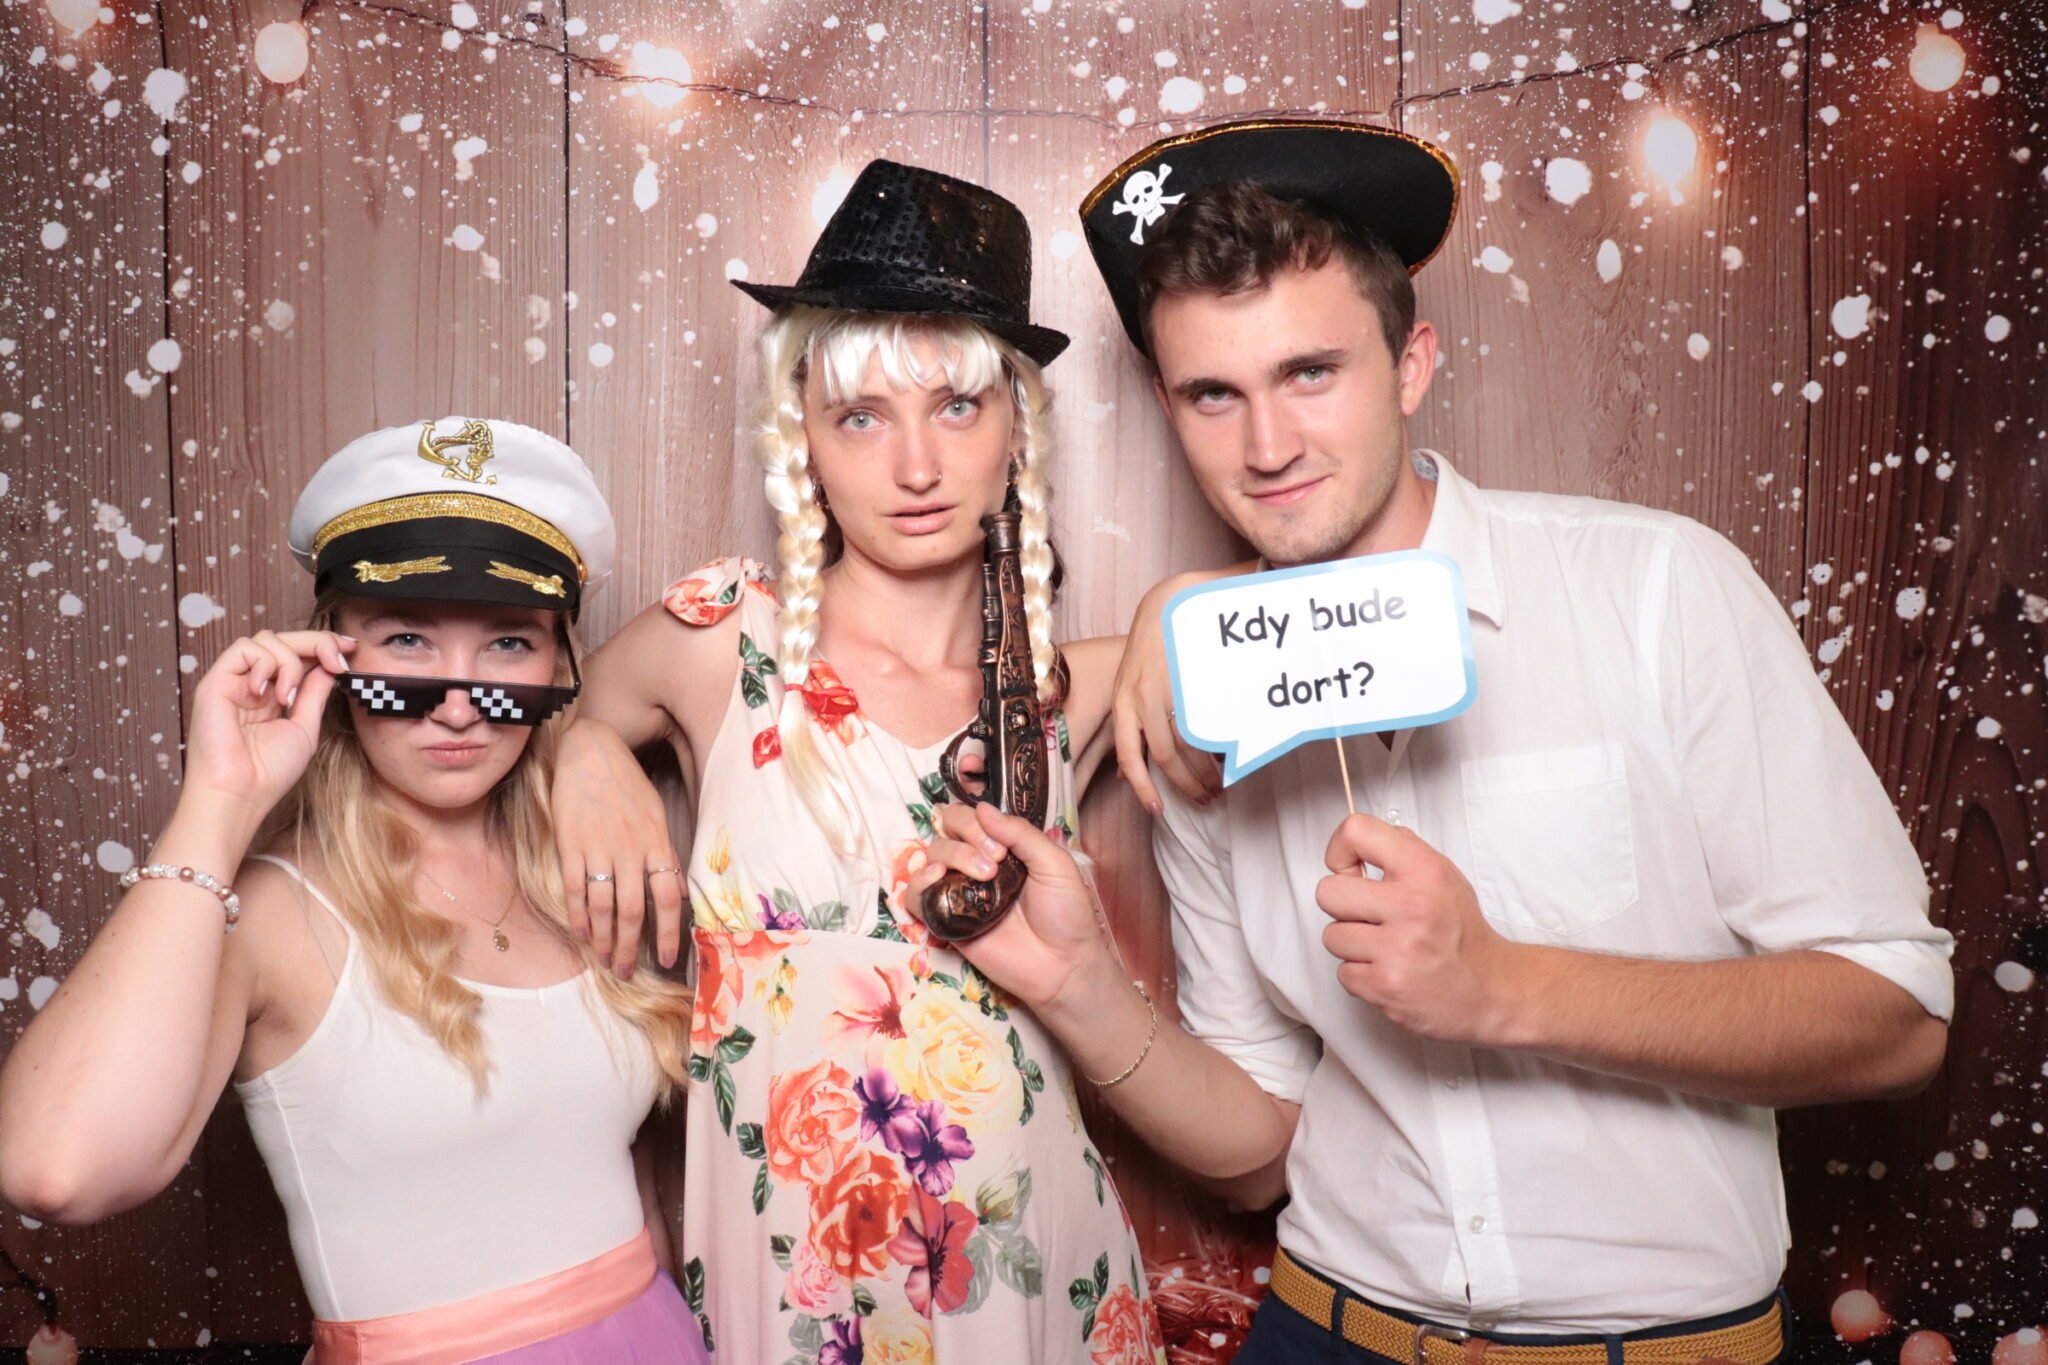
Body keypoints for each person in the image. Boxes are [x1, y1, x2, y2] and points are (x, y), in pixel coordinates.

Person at [907, 120, 1955, 1365]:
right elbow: (1259, 1148)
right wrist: (1077, 990)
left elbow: (1897, 1020)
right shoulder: (1192, 693)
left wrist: (1505, 986)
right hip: (1326, 1330)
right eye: (1212, 394)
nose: (1265, 447)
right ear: (1166, 405)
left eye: (1310, 373)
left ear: (1410, 365)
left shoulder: (1657, 589)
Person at [549, 161, 1166, 1364]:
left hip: (1033, 1272)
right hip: (795, 1284)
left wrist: (1176, 601)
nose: (916, 468)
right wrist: (581, 750)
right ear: (806, 441)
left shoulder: (1075, 690)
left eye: (956, 407)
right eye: (861, 417)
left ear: (1016, 428)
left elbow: (1305, 630)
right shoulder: (716, 642)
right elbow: (520, 722)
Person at [0, 418, 709, 1365]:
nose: (458, 704)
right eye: (407, 638)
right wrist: (219, 802)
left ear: (558, 664)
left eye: (508, 642)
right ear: (331, 654)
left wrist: (592, 742)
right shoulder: (275, 915)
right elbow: (56, 1170)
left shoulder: (581, 866)